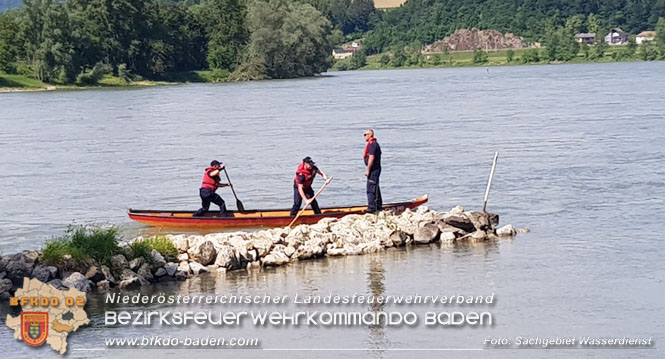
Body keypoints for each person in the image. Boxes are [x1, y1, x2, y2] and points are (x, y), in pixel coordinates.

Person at [363, 129, 382, 213]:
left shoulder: (372, 144)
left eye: (365, 134)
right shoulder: (372, 144)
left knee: (371, 188)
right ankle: (378, 205)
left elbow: (371, 157)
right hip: (375, 169)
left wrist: (368, 170)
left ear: (370, 135)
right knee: (375, 187)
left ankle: (372, 207)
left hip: (374, 169)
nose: (364, 136)